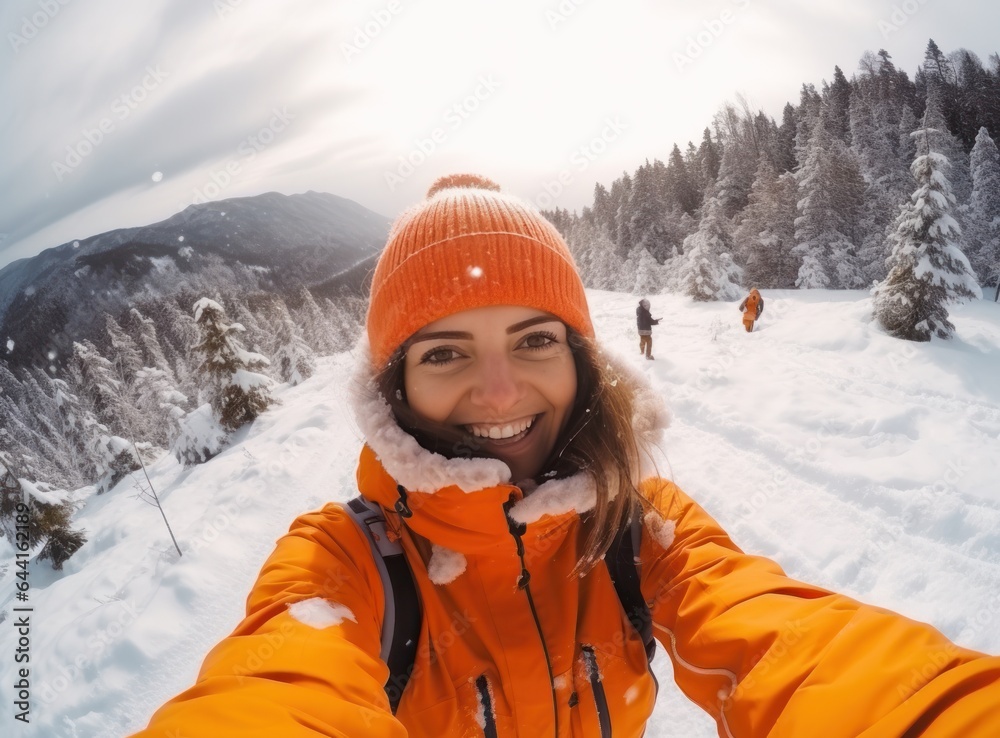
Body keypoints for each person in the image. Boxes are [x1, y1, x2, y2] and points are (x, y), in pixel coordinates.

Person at [133, 174, 1000, 738]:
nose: (501, 394)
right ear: (394, 387)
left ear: (582, 359)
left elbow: (801, 648)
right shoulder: (341, 566)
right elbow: (275, 691)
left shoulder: (639, 526)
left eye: (534, 340)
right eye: (444, 353)